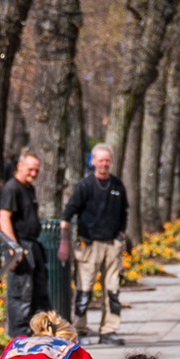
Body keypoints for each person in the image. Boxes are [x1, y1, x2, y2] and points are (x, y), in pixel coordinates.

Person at [60, 143, 129, 345]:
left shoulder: (117, 185)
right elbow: (67, 215)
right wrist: (64, 242)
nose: (104, 164)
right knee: (85, 288)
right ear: (93, 161)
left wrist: (121, 235)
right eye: (100, 160)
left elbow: (124, 211)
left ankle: (109, 330)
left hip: (112, 245)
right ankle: (79, 329)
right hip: (89, 246)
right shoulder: (85, 186)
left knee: (113, 289)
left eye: (107, 160)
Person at [0, 153, 50, 337]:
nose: (34, 173)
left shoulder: (29, 188)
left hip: (32, 246)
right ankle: (19, 336)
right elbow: (4, 216)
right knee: (22, 296)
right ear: (20, 166)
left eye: (37, 170)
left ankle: (38, 334)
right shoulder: (12, 188)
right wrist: (13, 246)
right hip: (20, 246)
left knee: (38, 294)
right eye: (30, 169)